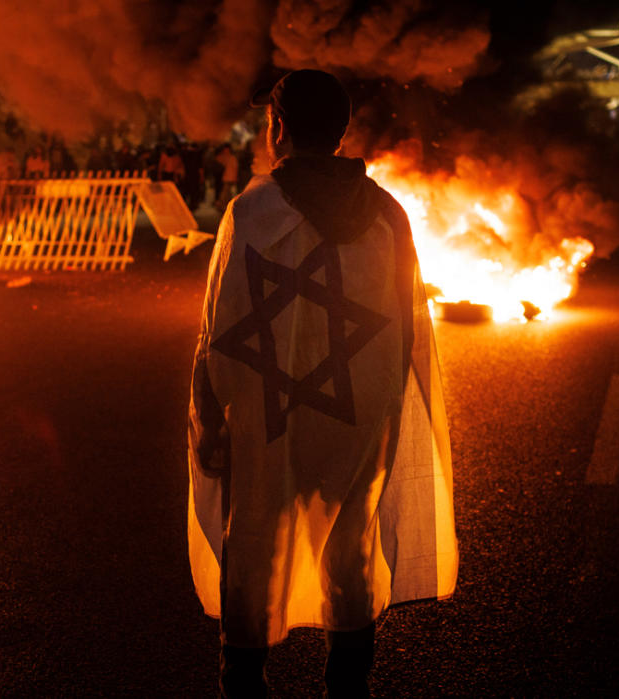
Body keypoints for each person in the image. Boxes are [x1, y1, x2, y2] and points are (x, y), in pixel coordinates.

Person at [187, 69, 457, 698]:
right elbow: (405, 329)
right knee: (351, 550)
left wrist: (209, 417)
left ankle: (245, 686)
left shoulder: (250, 212)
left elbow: (218, 331)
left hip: (265, 416)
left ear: (278, 127)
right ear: (339, 132)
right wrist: (385, 416)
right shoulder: (389, 214)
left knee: (253, 544)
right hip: (357, 412)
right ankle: (347, 689)